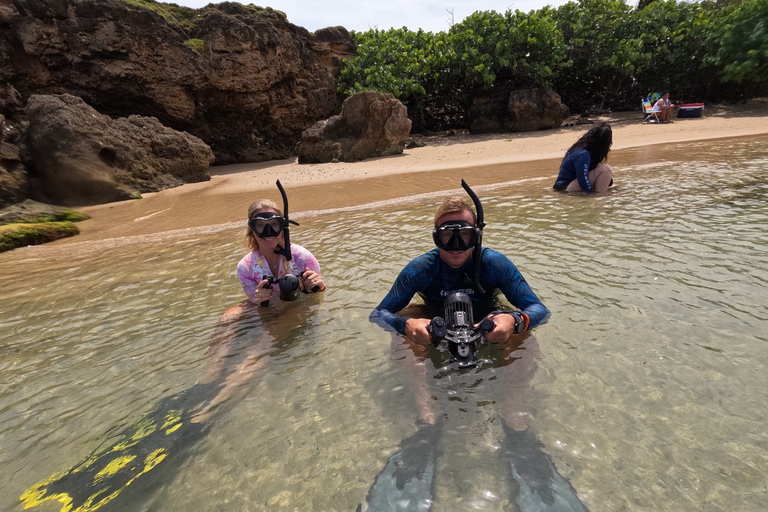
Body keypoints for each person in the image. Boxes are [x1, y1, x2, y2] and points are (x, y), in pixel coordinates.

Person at [363, 182, 588, 512]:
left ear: (477, 235)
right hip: (435, 324)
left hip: (486, 325)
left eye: (465, 236)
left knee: (526, 335)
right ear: (434, 236)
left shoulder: (495, 263)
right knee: (401, 332)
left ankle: (514, 421)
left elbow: (539, 309)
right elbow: (378, 314)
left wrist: (514, 322)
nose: (455, 246)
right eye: (446, 236)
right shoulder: (421, 269)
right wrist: (407, 325)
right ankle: (428, 419)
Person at [237, 198, 325, 306]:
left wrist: (318, 286)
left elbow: (319, 297)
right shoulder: (246, 267)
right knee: (227, 318)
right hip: (273, 312)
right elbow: (256, 305)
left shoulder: (302, 257)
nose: (268, 232)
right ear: (252, 230)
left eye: (274, 224)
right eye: (260, 225)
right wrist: (259, 299)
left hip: (300, 306)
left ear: (283, 227)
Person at [553, 122, 614, 193]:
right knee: (606, 169)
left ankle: (601, 194)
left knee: (613, 186)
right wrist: (590, 195)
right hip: (565, 188)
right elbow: (582, 178)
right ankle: (600, 196)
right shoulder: (583, 154)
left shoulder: (584, 151)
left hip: (566, 187)